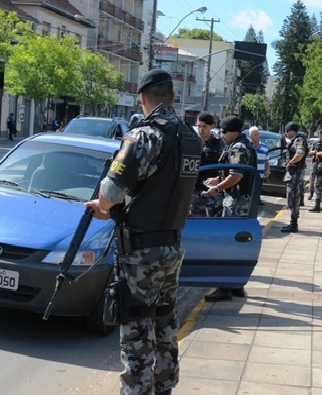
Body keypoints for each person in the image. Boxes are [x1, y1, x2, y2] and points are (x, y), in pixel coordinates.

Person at [84, 69, 202, 395]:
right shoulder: (190, 138)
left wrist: (102, 205)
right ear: (173, 97)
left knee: (136, 330)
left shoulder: (145, 136)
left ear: (142, 99)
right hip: (172, 248)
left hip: (141, 253)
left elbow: (111, 190)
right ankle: (164, 387)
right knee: (164, 322)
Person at [203, 115, 256, 301]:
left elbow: (236, 176)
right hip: (240, 202)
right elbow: (233, 173)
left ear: (234, 131)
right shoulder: (239, 145)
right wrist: (217, 180)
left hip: (236, 203)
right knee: (237, 247)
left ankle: (224, 288)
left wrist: (217, 188)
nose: (222, 135)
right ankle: (236, 286)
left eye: (224, 131)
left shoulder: (238, 147)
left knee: (226, 245)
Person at [190, 112, 224, 217]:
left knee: (215, 224)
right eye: (199, 126)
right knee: (196, 224)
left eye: (204, 126)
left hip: (214, 190)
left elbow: (226, 167)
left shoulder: (220, 145)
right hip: (195, 190)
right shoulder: (192, 143)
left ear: (212, 126)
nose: (201, 129)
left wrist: (219, 179)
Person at [281, 121, 307, 232]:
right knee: (291, 198)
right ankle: (292, 223)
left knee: (293, 198)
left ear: (293, 131)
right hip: (293, 173)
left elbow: (300, 154)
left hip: (295, 173)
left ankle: (293, 224)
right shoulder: (294, 141)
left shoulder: (299, 140)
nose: (285, 133)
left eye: (287, 131)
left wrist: (290, 163)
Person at [249, 126, 270, 206]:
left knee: (258, 188)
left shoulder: (264, 146)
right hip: (251, 173)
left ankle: (257, 200)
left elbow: (267, 161)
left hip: (260, 174)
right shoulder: (249, 146)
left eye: (258, 134)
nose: (257, 136)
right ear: (250, 136)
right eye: (255, 134)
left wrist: (267, 170)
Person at [308, 130, 322, 200]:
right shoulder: (315, 142)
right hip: (315, 162)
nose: (320, 137)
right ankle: (311, 193)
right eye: (319, 136)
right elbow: (310, 152)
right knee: (312, 178)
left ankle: (320, 195)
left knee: (321, 180)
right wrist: (313, 152)